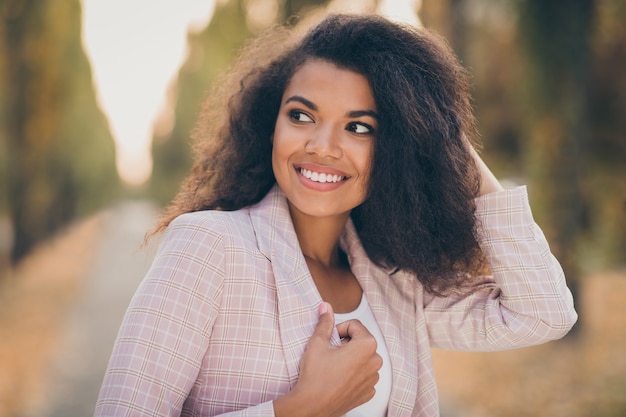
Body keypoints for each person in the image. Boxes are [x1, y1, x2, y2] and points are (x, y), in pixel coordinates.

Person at [94, 13, 577, 417]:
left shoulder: (396, 282)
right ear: (271, 124)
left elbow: (543, 312)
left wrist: (441, 134)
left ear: (396, 149)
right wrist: (297, 409)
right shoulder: (209, 248)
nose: (322, 147)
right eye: (301, 116)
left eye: (360, 127)